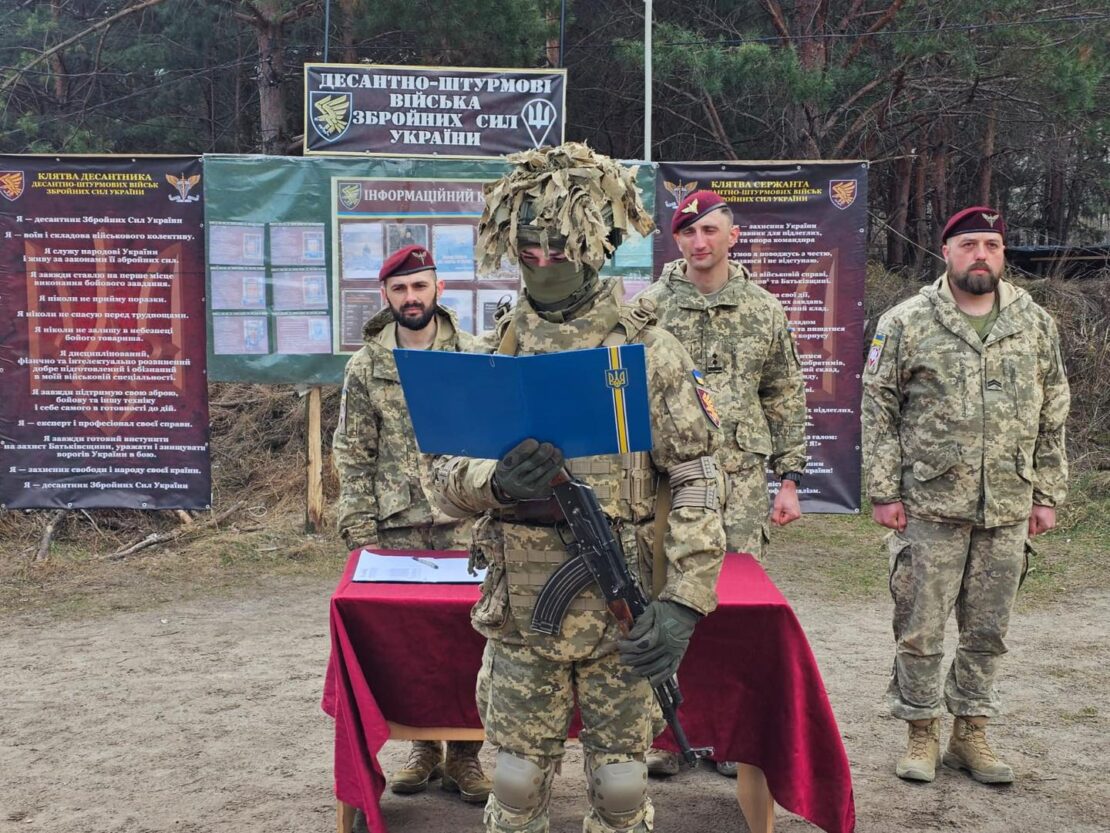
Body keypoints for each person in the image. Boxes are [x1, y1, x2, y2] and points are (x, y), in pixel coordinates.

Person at [430, 142, 726, 833]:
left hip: (624, 615)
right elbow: (439, 477)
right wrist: (494, 481)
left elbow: (696, 478)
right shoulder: (491, 352)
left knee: (622, 787)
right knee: (515, 780)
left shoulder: (647, 350)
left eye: (558, 247)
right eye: (527, 249)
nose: (542, 262)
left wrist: (684, 603)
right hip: (520, 615)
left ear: (597, 242)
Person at [861, 206, 1070, 784]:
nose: (982, 255)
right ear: (946, 252)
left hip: (1007, 503)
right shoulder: (905, 321)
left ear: (1002, 255)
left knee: (987, 631)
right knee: (920, 627)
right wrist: (883, 490)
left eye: (992, 245)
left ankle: (970, 732)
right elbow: (878, 410)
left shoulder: (1035, 323)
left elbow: (1054, 411)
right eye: (970, 244)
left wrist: (1046, 493)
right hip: (929, 503)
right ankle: (921, 732)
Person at [634, 189, 808, 778]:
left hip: (739, 487)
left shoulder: (763, 309)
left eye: (710, 230)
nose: (699, 241)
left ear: (732, 236)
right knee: (666, 598)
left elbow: (783, 393)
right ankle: (665, 734)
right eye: (688, 232)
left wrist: (789, 479)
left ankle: (729, 733)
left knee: (733, 609)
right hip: (670, 486)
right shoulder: (649, 309)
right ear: (676, 241)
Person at [332, 244, 492, 804]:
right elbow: (354, 454)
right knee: (410, 647)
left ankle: (466, 755)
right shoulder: (367, 366)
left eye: (420, 286)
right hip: (397, 528)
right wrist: (359, 535)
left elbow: (494, 440)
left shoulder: (473, 354)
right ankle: (422, 747)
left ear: (438, 290)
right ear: (385, 295)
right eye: (400, 289)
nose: (411, 297)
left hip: (466, 522)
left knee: (472, 641)